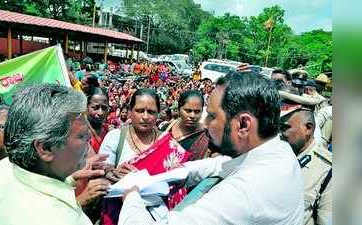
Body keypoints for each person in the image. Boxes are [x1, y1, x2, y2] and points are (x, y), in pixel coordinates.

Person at [118, 72, 304, 225]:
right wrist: (170, 175)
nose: (204, 124)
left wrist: (132, 197)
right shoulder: (279, 151)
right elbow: (223, 164)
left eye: (212, 116)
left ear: (243, 124)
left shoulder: (244, 192)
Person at [0, 84, 108, 225]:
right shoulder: (68, 219)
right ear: (45, 148)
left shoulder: (1, 170)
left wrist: (67, 180)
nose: (89, 140)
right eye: (82, 136)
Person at [99, 88, 192, 225]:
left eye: (151, 112)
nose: (145, 116)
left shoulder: (168, 143)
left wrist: (141, 179)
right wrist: (112, 173)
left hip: (158, 217)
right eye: (140, 110)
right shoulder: (115, 138)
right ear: (130, 111)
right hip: (118, 215)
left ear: (158, 114)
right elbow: (100, 174)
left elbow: (178, 184)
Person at [280, 105, 332, 225]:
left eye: (284, 127)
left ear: (308, 128)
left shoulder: (328, 170)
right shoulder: (271, 156)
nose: (279, 133)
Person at [161, 90, 210, 161]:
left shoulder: (207, 137)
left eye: (197, 111)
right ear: (179, 109)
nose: (192, 116)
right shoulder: (166, 128)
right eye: (188, 111)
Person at [86, 87, 110, 154]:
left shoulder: (108, 131)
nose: (100, 113)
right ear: (86, 106)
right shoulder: (78, 132)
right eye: (95, 108)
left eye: (104, 108)